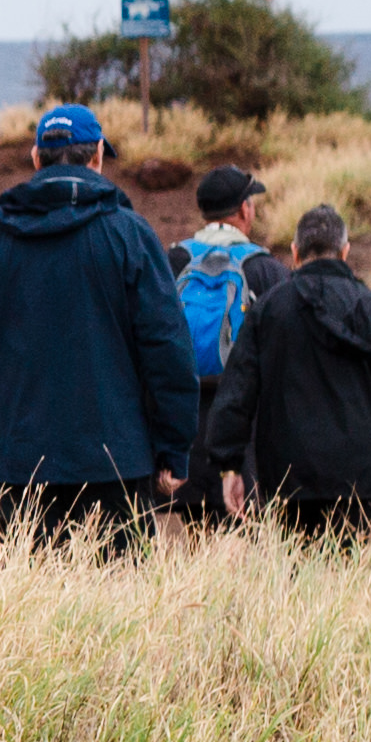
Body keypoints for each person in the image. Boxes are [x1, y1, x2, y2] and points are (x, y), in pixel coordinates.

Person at [0, 101, 198, 555]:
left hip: (20, 473)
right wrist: (174, 450)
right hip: (119, 468)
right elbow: (169, 349)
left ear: (37, 159)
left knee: (30, 617)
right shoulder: (130, 235)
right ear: (97, 155)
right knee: (118, 611)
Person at [200, 204, 371, 542]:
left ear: (295, 253)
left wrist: (229, 465)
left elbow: (237, 391)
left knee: (297, 570)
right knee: (346, 565)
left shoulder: (268, 311)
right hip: (359, 471)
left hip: (286, 472)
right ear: (345, 252)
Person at [162, 165, 280, 527]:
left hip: (186, 426)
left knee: (196, 529)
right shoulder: (264, 267)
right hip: (243, 431)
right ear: (244, 210)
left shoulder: (174, 260)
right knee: (241, 532)